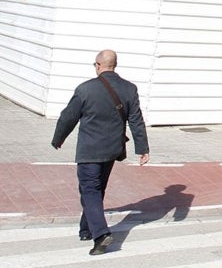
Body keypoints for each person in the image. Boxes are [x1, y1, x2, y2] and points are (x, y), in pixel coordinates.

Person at [51, 49, 150, 256]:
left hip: (90, 150)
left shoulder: (85, 89)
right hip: (113, 149)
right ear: (115, 65)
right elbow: (136, 120)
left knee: (90, 189)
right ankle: (86, 229)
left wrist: (58, 139)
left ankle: (101, 234)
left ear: (98, 65)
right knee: (96, 189)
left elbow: (68, 116)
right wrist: (142, 149)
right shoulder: (129, 89)